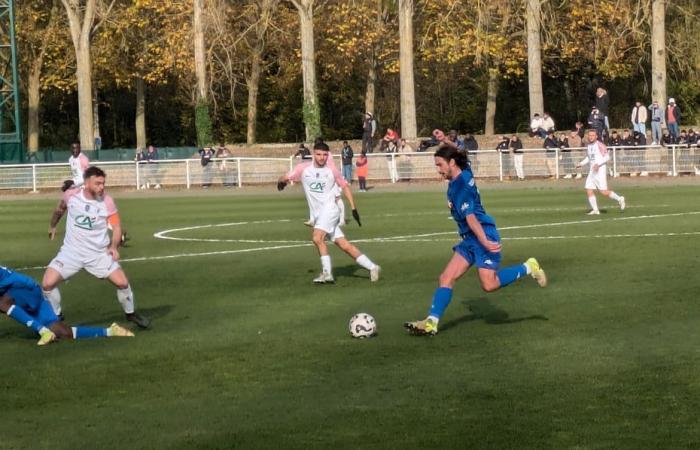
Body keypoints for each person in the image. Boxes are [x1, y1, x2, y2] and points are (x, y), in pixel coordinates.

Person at [404, 146, 547, 336]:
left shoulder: (461, 187)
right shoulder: (463, 172)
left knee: (489, 285)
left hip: (482, 235)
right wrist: (444, 141)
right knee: (446, 278)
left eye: (440, 165)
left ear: (452, 163)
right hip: (470, 238)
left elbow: (470, 218)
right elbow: (457, 154)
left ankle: (529, 267)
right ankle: (431, 322)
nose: (438, 169)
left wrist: (486, 242)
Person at [43, 166, 150, 328]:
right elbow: (60, 209)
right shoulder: (71, 195)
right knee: (47, 284)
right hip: (71, 253)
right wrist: (52, 226)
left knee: (122, 283)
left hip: (98, 254)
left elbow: (117, 228)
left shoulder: (107, 201)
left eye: (103, 183)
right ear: (86, 183)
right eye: (97, 183)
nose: (102, 187)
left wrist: (114, 247)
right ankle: (57, 316)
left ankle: (131, 314)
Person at [277, 141, 380, 284]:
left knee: (317, 238)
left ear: (328, 156)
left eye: (325, 155)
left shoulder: (332, 171)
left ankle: (327, 274)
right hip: (319, 215)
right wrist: (281, 181)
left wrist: (354, 208)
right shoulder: (303, 169)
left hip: (330, 210)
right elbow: (287, 176)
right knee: (344, 245)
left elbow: (345, 187)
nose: (322, 158)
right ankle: (373, 267)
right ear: (314, 154)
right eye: (319, 154)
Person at [0, 266, 133, 346]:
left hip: (22, 290)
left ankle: (43, 332)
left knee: (2, 303)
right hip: (29, 291)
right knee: (63, 332)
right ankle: (111, 331)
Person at [575, 129, 626, 215]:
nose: (591, 137)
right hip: (592, 170)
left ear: (596, 136)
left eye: (592, 135)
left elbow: (607, 157)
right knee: (589, 189)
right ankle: (595, 210)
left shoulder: (600, 145)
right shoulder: (588, 146)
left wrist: (598, 164)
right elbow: (589, 158)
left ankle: (620, 198)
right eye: (589, 135)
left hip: (600, 170)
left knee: (603, 192)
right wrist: (581, 163)